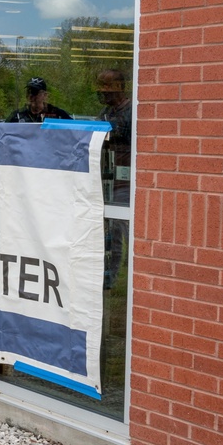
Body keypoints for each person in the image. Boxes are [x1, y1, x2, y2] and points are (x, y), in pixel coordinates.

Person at [96, 69, 132, 289]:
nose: (102, 91)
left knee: (128, 234)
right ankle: (109, 281)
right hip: (108, 182)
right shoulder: (105, 113)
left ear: (119, 86)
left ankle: (132, 283)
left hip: (127, 184)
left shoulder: (130, 112)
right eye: (100, 86)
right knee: (112, 237)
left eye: (107, 86)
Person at [5, 77, 73, 123]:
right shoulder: (18, 116)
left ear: (45, 95)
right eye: (28, 92)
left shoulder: (57, 114)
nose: (31, 95)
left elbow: (75, 131)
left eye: (35, 92)